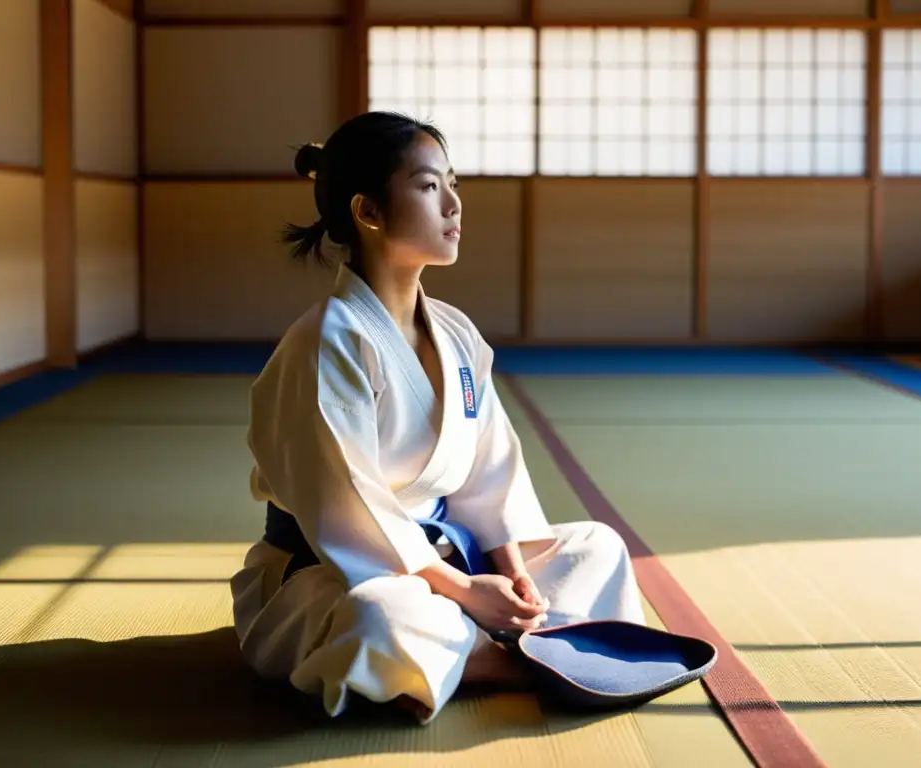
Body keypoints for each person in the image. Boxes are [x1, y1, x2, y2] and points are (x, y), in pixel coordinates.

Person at [230, 111, 645, 724]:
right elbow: (346, 511)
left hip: (450, 561)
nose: (453, 204)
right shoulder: (327, 343)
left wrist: (509, 576)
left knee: (597, 547)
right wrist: (466, 592)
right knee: (383, 618)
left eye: (452, 183)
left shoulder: (456, 333)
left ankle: (470, 650)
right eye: (429, 187)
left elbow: (489, 475)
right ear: (368, 213)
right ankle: (516, 660)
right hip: (333, 574)